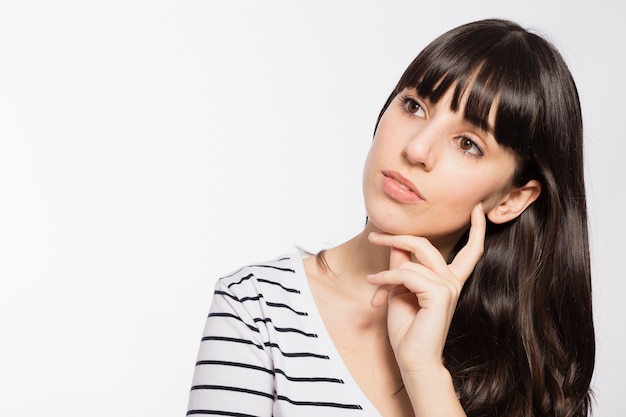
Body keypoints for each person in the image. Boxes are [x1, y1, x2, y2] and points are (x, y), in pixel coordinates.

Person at [186, 19, 595, 417]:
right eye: (414, 106)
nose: (417, 148)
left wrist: (423, 372)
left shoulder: (531, 366)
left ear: (512, 199)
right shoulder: (257, 308)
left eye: (468, 143)